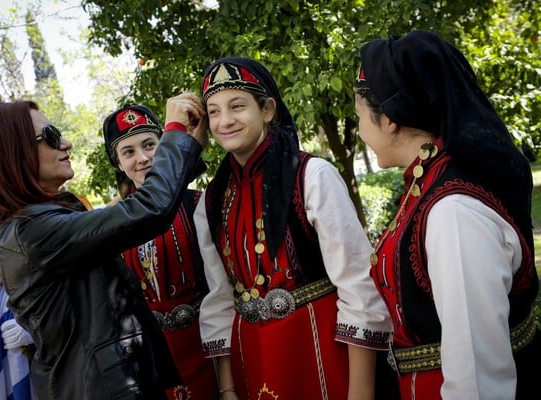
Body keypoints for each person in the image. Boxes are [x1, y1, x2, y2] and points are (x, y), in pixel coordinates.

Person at [0, 95, 208, 400]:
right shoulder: (31, 232)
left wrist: (190, 147)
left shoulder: (41, 221)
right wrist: (174, 130)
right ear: (16, 154)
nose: (66, 143)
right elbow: (149, 210)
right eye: (51, 137)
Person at [354, 30, 541, 400]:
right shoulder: (431, 180)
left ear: (389, 119)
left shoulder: (452, 212)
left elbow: (477, 375)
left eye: (358, 116)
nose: (359, 131)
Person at [195, 57, 393, 400]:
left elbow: (358, 287)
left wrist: (360, 394)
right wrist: (227, 389)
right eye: (213, 111)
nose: (224, 121)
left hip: (321, 355)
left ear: (268, 110)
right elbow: (219, 300)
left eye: (237, 106)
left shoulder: (312, 176)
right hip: (251, 361)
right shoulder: (211, 200)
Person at [102, 104, 219, 400]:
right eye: (128, 152)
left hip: (206, 344)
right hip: (148, 356)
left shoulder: (200, 203)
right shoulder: (110, 221)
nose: (142, 158)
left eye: (150, 145)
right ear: (118, 163)